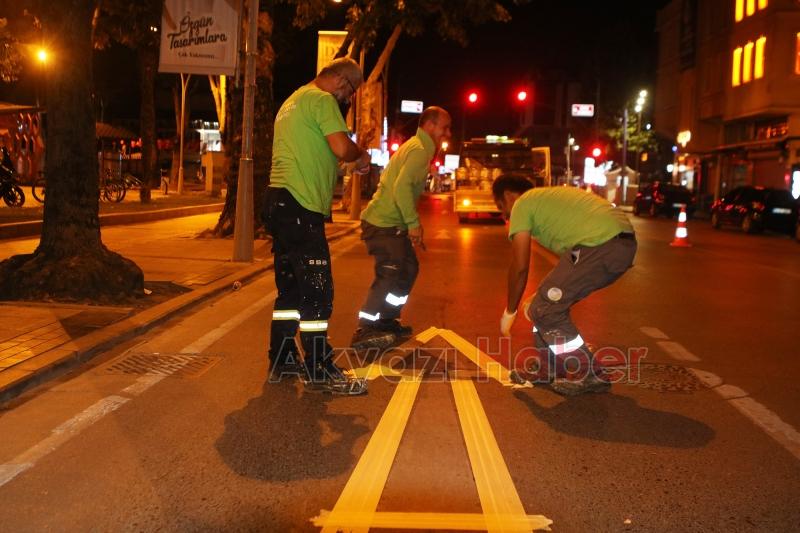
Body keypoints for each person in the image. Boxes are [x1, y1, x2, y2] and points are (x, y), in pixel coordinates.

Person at [263, 58, 372, 395]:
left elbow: (316, 153)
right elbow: (342, 146)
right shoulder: (323, 100)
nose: (345, 97)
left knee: (292, 290)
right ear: (341, 80)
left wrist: (343, 168)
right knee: (317, 290)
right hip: (300, 205)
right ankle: (319, 368)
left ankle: (282, 360)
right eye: (349, 91)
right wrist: (360, 154)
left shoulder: (294, 99)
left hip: (279, 201)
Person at [493, 175, 637, 396]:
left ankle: (591, 374)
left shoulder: (522, 202)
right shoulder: (547, 201)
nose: (504, 215)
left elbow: (520, 266)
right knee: (539, 306)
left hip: (600, 244)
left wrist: (509, 311)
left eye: (501, 207)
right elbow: (570, 261)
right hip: (620, 246)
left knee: (545, 309)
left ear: (508, 196)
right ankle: (550, 370)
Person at [351, 107, 452, 350]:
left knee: (408, 268)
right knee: (390, 270)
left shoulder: (420, 149)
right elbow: (401, 189)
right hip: (383, 222)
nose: (447, 133)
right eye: (444, 127)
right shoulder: (418, 150)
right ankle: (365, 329)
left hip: (391, 223)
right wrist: (413, 225)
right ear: (429, 125)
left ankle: (386, 320)